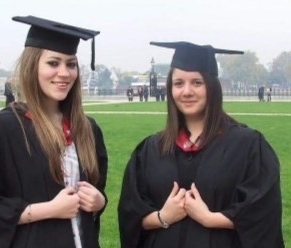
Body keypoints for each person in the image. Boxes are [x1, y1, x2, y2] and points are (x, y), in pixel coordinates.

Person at [118, 41, 284, 248]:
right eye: (178, 83)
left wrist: (209, 218)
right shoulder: (152, 149)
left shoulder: (247, 146)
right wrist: (164, 216)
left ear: (212, 87)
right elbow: (130, 214)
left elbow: (263, 212)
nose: (186, 91)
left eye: (197, 82)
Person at [0, 15, 108, 248]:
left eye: (71, 64)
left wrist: (100, 202)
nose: (64, 73)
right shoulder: (4, 130)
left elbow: (96, 190)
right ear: (33, 66)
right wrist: (49, 210)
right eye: (53, 63)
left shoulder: (87, 130)